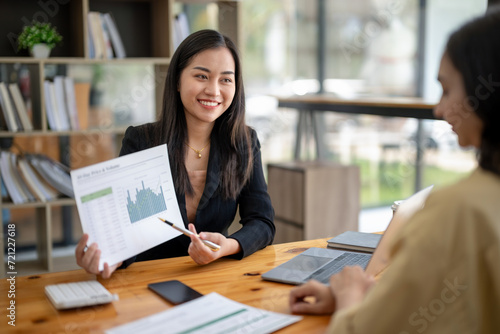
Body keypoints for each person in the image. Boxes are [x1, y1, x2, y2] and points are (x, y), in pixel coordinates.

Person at [289, 7, 500, 333]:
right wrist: (370, 300)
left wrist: (348, 299)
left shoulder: (460, 210)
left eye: (446, 89)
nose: (439, 109)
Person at [75, 29, 275, 278]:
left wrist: (227, 246)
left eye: (225, 79)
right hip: (148, 280)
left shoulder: (244, 142)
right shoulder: (141, 141)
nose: (213, 90)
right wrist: (110, 259)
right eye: (202, 76)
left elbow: (262, 222)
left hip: (213, 277)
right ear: (177, 81)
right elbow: (125, 230)